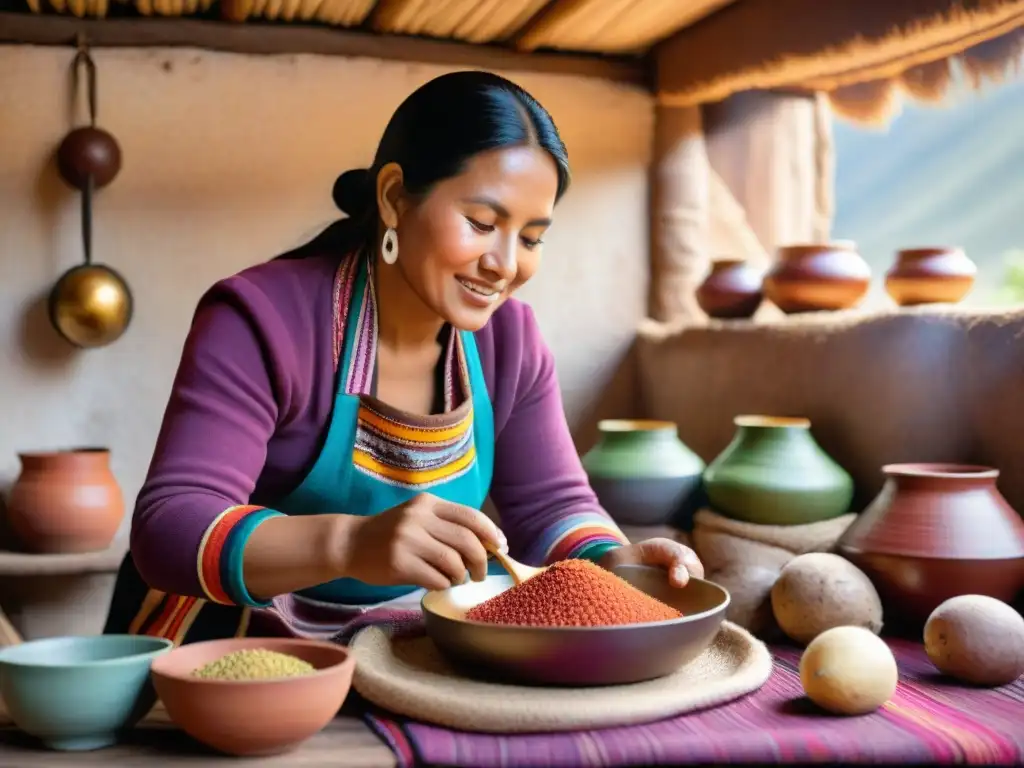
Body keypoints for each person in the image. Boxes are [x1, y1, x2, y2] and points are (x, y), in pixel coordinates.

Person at [104, 71, 704, 644]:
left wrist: (611, 560)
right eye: (480, 221)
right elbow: (170, 527)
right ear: (394, 197)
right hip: (226, 650)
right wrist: (350, 544)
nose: (503, 263)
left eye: (530, 237)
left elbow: (553, 506)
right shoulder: (262, 318)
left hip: (399, 650)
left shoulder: (509, 340)